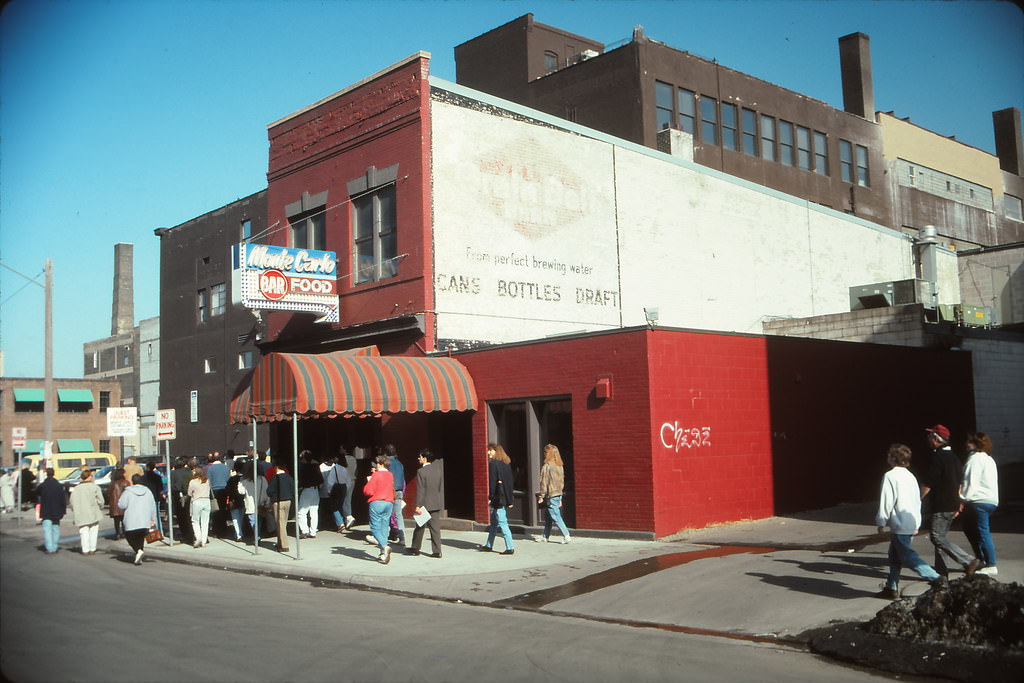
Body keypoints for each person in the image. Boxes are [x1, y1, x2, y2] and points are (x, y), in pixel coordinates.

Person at [874, 443, 941, 599]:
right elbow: (916, 501)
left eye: (889, 455)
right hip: (910, 521)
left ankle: (935, 577)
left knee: (906, 555)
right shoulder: (911, 476)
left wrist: (881, 521)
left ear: (892, 458)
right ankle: (891, 586)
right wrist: (917, 522)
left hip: (899, 522)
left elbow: (887, 501)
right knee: (894, 555)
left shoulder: (890, 476)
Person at [920, 425, 977, 577]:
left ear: (936, 439)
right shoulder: (954, 457)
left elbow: (929, 482)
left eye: (930, 436)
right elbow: (960, 482)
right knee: (941, 538)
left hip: (941, 504)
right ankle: (941, 571)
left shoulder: (937, 457)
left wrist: (918, 499)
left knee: (936, 537)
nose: (928, 438)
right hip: (952, 504)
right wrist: (959, 503)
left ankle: (968, 559)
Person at [960, 432, 999, 576]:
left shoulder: (975, 459)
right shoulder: (989, 459)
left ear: (975, 445)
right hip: (991, 500)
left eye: (969, 442)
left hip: (978, 500)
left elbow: (970, 482)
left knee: (981, 531)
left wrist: (962, 499)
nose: (966, 445)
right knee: (970, 528)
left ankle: (990, 563)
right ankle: (982, 559)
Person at [407, 449, 443, 558]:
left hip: (424, 504)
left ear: (425, 458)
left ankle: (415, 548)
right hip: (435, 502)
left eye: (420, 457)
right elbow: (439, 487)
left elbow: (421, 490)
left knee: (419, 527)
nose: (418, 458)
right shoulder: (438, 470)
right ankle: (437, 551)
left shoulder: (421, 472)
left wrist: (418, 505)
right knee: (435, 528)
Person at [479, 444, 515, 555]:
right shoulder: (506, 463)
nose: (488, 453)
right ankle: (489, 545)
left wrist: (490, 497)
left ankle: (510, 547)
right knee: (494, 523)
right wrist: (510, 500)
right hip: (504, 498)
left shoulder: (493, 464)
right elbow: (510, 483)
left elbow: (492, 483)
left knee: (502, 522)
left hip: (498, 499)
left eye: (490, 450)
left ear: (496, 451)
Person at [118, 473, 157, 565]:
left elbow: (121, 505)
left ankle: (138, 551)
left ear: (132, 481)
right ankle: (139, 554)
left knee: (129, 536)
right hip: (144, 520)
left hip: (131, 520)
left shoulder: (127, 492)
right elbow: (153, 505)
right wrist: (152, 518)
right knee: (140, 537)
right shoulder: (148, 491)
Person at [537, 444, 572, 544]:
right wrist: (560, 497)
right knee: (548, 516)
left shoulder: (547, 466)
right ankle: (545, 536)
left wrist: (541, 496)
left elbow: (544, 482)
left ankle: (566, 535)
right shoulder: (559, 466)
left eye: (545, 452)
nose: (544, 454)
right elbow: (561, 482)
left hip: (551, 495)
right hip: (558, 494)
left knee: (555, 516)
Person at [363, 454, 394, 564]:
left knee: (375, 527)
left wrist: (369, 480)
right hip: (389, 502)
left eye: (377, 463)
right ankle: (382, 554)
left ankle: (385, 547)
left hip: (377, 502)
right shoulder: (390, 475)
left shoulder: (376, 475)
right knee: (384, 527)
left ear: (380, 464)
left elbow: (368, 491)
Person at [69, 468, 105, 555]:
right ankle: (92, 549)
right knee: (93, 531)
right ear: (89, 477)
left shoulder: (76, 488)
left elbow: (71, 502)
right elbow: (101, 501)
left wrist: (75, 510)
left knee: (84, 531)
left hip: (81, 513)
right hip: (93, 512)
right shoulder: (95, 487)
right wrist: (101, 507)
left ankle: (85, 549)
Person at [239, 461, 271, 544]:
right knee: (258, 521)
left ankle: (257, 536)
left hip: (250, 504)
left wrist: (240, 483)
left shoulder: (245, 480)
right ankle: (258, 536)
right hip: (260, 504)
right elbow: (266, 491)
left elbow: (241, 491)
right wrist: (267, 502)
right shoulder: (262, 479)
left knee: (253, 521)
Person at [267, 459, 295, 552]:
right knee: (283, 522)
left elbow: (269, 491)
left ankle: (284, 545)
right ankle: (280, 542)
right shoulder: (289, 478)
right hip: (288, 501)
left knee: (279, 523)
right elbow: (293, 489)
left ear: (276, 468)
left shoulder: (274, 478)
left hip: (278, 502)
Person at [37, 468, 66, 554]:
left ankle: (49, 548)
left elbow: (36, 492)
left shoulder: (43, 485)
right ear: (54, 474)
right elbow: (63, 499)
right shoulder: (59, 485)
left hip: (46, 510)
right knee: (55, 529)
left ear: (46, 474)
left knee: (47, 530)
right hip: (57, 511)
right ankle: (55, 546)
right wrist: (63, 510)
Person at [296, 450, 323, 539]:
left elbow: (301, 480)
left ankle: (304, 530)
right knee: (314, 511)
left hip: (307, 489)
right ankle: (313, 531)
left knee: (301, 512)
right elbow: (321, 479)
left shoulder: (303, 467)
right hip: (315, 490)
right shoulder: (316, 466)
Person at [321, 454, 352, 532]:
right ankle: (342, 521)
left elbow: (330, 481)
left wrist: (328, 490)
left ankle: (340, 523)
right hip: (343, 487)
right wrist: (347, 489)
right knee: (340, 505)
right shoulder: (345, 469)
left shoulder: (334, 468)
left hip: (336, 487)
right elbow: (348, 481)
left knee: (334, 507)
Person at [170, 456, 195, 544]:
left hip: (178, 496)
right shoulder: (188, 471)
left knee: (181, 517)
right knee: (189, 516)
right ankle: (193, 534)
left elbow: (172, 486)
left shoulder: (173, 473)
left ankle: (185, 535)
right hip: (190, 495)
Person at [385, 444, 406, 547]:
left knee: (386, 514)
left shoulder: (386, 464)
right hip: (399, 490)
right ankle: (402, 538)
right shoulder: (400, 464)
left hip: (389, 491)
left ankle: (383, 536)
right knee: (398, 515)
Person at [206, 453, 230, 537]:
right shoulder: (226, 467)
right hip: (224, 490)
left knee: (215, 511)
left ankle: (216, 531)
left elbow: (208, 481)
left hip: (214, 491)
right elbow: (228, 478)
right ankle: (224, 529)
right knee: (223, 509)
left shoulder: (210, 468)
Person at [187, 466, 212, 548]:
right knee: (205, 522)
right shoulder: (207, 480)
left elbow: (189, 493)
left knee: (195, 521)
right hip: (207, 501)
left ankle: (198, 538)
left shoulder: (192, 482)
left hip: (197, 501)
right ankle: (204, 541)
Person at [225, 459, 246, 541]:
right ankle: (239, 533)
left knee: (235, 518)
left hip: (233, 500)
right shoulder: (245, 479)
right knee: (241, 518)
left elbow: (227, 490)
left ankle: (238, 535)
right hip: (243, 500)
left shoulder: (232, 479)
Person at [143, 462, 165, 531]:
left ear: (147, 467)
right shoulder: (158, 477)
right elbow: (161, 488)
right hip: (156, 497)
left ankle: (152, 532)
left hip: (146, 499)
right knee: (157, 516)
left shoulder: (144, 478)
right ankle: (159, 531)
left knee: (148, 516)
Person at [107, 468, 129, 540]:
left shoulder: (112, 484)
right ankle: (124, 533)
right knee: (124, 520)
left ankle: (117, 533)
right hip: (124, 504)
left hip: (115, 505)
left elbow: (108, 494)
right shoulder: (126, 483)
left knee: (116, 521)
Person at [339, 446, 357, 529]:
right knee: (348, 499)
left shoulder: (343, 459)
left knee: (344, 500)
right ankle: (347, 519)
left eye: (341, 448)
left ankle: (348, 517)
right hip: (352, 480)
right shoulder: (353, 459)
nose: (340, 450)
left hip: (345, 481)